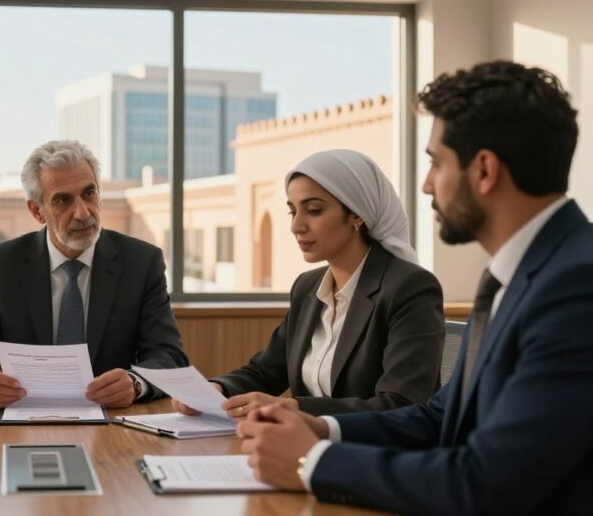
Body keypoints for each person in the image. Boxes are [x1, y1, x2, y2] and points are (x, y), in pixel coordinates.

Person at [237, 61, 593, 515]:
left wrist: (311, 460)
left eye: (436, 162)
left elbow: (486, 482)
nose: (426, 186)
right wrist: (321, 428)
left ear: (484, 171)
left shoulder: (575, 286)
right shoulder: (517, 274)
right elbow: (439, 417)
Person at [173, 149, 444, 419]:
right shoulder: (307, 287)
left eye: (313, 210)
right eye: (293, 211)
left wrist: (293, 408)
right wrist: (217, 389)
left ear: (357, 214)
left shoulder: (409, 288)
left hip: (372, 455)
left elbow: (401, 404)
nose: (297, 226)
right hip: (303, 448)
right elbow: (266, 371)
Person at [0, 140, 188, 409]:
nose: (83, 213)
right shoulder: (0, 266)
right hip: (20, 421)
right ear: (37, 211)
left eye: (89, 193)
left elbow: (169, 355)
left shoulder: (141, 262)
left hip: (114, 424)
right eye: (63, 200)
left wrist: (136, 383)